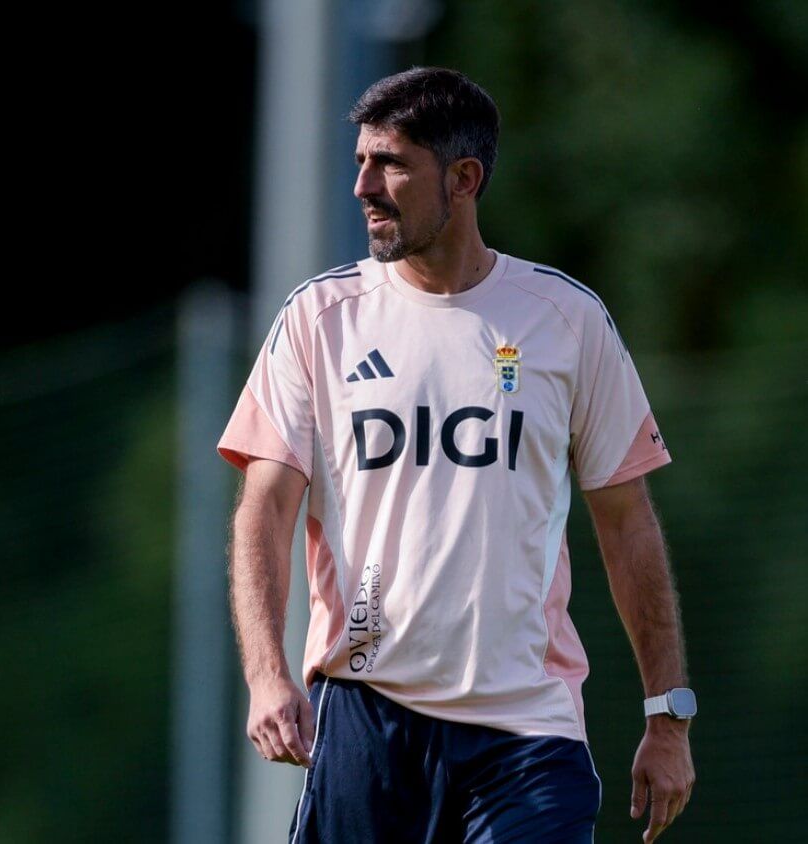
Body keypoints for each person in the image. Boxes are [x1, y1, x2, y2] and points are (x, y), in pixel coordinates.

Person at [216, 67, 695, 843]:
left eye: (392, 165)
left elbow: (626, 521)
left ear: (464, 179)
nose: (363, 186)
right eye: (360, 162)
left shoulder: (565, 320)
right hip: (367, 713)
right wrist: (267, 674)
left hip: (528, 730)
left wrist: (665, 714)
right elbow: (264, 507)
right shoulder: (319, 318)